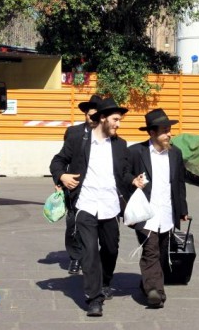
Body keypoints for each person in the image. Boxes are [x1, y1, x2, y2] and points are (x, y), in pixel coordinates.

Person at [49, 97, 136, 317]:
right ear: (103, 118)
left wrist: (133, 181)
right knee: (89, 252)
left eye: (120, 120)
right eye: (116, 119)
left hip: (110, 206)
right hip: (86, 205)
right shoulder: (79, 140)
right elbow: (57, 161)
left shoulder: (120, 145)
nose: (119, 124)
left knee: (111, 249)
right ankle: (94, 298)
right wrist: (62, 175)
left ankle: (105, 281)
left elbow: (123, 173)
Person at [128, 108, 189, 309]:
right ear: (152, 133)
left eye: (169, 130)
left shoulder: (176, 154)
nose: (169, 134)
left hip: (168, 213)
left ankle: (147, 282)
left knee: (163, 253)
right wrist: (132, 180)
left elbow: (179, 183)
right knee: (150, 250)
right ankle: (155, 292)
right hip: (146, 214)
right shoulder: (136, 152)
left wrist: (182, 209)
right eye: (164, 130)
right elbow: (122, 175)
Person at [61, 94, 102, 275]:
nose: (91, 118)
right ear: (85, 115)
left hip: (99, 190)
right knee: (73, 224)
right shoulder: (74, 133)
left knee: (98, 226)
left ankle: (92, 257)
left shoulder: (109, 135)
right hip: (75, 187)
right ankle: (76, 258)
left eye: (95, 115)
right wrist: (60, 179)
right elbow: (63, 158)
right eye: (89, 115)